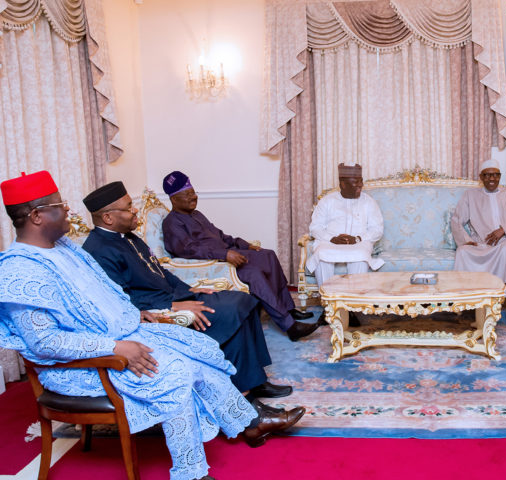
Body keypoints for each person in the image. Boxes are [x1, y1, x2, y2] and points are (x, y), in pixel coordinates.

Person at [0, 171, 305, 480]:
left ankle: (250, 423)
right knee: (178, 371)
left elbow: (110, 295)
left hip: (124, 335)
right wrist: (116, 346)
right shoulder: (20, 271)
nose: (69, 210)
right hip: (85, 365)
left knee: (199, 349)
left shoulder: (65, 249)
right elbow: (45, 343)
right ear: (37, 216)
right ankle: (191, 473)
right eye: (60, 205)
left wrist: (138, 315)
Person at [82, 181, 291, 401]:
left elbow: (160, 270)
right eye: (128, 207)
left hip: (175, 296)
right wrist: (172, 306)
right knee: (230, 311)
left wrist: (190, 288)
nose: (134, 210)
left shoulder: (130, 237)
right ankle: (243, 391)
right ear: (108, 218)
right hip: (159, 310)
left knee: (243, 301)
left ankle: (255, 381)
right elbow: (119, 300)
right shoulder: (98, 250)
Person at [160, 171, 319, 342]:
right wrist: (225, 254)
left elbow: (219, 236)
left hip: (226, 253)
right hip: (214, 264)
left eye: (193, 193)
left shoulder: (196, 215)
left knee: (267, 255)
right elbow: (188, 250)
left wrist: (244, 245)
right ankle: (290, 326)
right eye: (188, 195)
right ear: (174, 199)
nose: (194, 198)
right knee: (253, 273)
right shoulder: (172, 223)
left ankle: (287, 308)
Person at [451, 159, 506, 326]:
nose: (492, 178)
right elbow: (456, 220)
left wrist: (505, 230)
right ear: (481, 177)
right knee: (462, 251)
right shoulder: (471, 195)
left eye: (496, 174)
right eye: (487, 175)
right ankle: (479, 310)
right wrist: (466, 240)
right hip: (481, 243)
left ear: (500, 176)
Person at [307, 163, 384, 286]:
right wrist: (332, 238)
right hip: (329, 242)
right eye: (356, 182)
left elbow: (377, 229)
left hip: (359, 243)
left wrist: (358, 239)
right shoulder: (327, 201)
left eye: (361, 181)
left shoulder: (368, 202)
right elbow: (315, 227)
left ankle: (355, 299)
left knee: (360, 256)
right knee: (321, 255)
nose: (360, 185)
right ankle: (327, 299)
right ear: (343, 184)